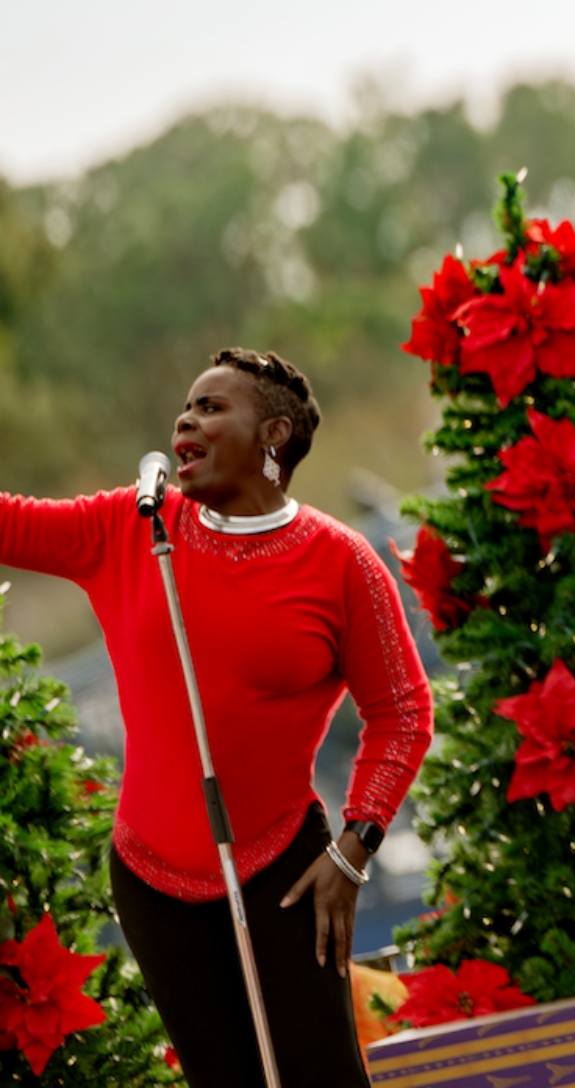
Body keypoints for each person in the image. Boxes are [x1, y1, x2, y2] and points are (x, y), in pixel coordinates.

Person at [0, 348, 434, 1088]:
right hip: (151, 878)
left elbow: (402, 712)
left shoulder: (342, 563)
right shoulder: (130, 526)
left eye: (210, 407)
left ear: (272, 435)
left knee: (321, 1075)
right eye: (185, 408)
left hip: (289, 873)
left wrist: (353, 850)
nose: (185, 420)